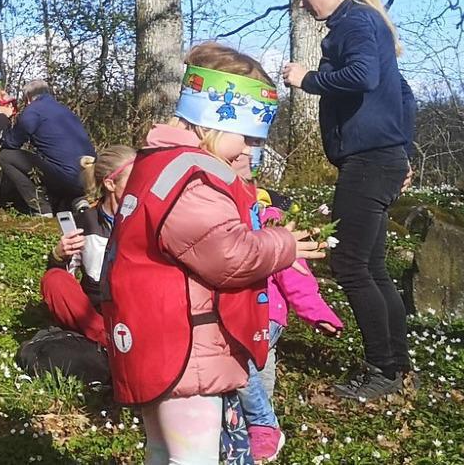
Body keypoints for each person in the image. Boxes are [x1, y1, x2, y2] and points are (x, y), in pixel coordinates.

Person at [103, 43, 325, 465]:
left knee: (164, 453)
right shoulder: (193, 178)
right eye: (246, 136)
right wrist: (285, 244)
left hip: (160, 340)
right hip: (185, 349)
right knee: (194, 458)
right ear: (214, 122)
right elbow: (229, 256)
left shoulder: (158, 164)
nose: (248, 150)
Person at [280, 0, 418, 402]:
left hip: (369, 160)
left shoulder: (356, 23)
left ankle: (382, 371)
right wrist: (403, 147)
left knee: (350, 265)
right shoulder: (362, 22)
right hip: (380, 156)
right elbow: (401, 91)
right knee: (372, 266)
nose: (302, 3)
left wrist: (309, 79)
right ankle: (395, 366)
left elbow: (362, 75)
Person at [242, 189, 343, 462]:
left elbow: (296, 278)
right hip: (270, 318)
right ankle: (262, 424)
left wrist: (318, 313)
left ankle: (262, 425)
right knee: (262, 370)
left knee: (242, 367)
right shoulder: (263, 227)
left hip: (261, 317)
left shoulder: (271, 228)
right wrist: (318, 314)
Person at [40, 144, 136, 347]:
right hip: (96, 312)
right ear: (110, 184)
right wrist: (58, 256)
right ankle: (110, 343)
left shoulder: (148, 218)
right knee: (54, 280)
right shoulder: (84, 222)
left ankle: (114, 345)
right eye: (134, 179)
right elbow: (66, 278)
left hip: (135, 307)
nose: (142, 185)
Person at [3, 79, 96, 212]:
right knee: (60, 165)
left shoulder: (33, 111)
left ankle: (41, 209)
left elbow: (12, 142)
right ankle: (79, 201)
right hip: (90, 176)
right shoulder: (64, 110)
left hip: (66, 177)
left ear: (28, 98)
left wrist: (6, 120)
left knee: (6, 156)